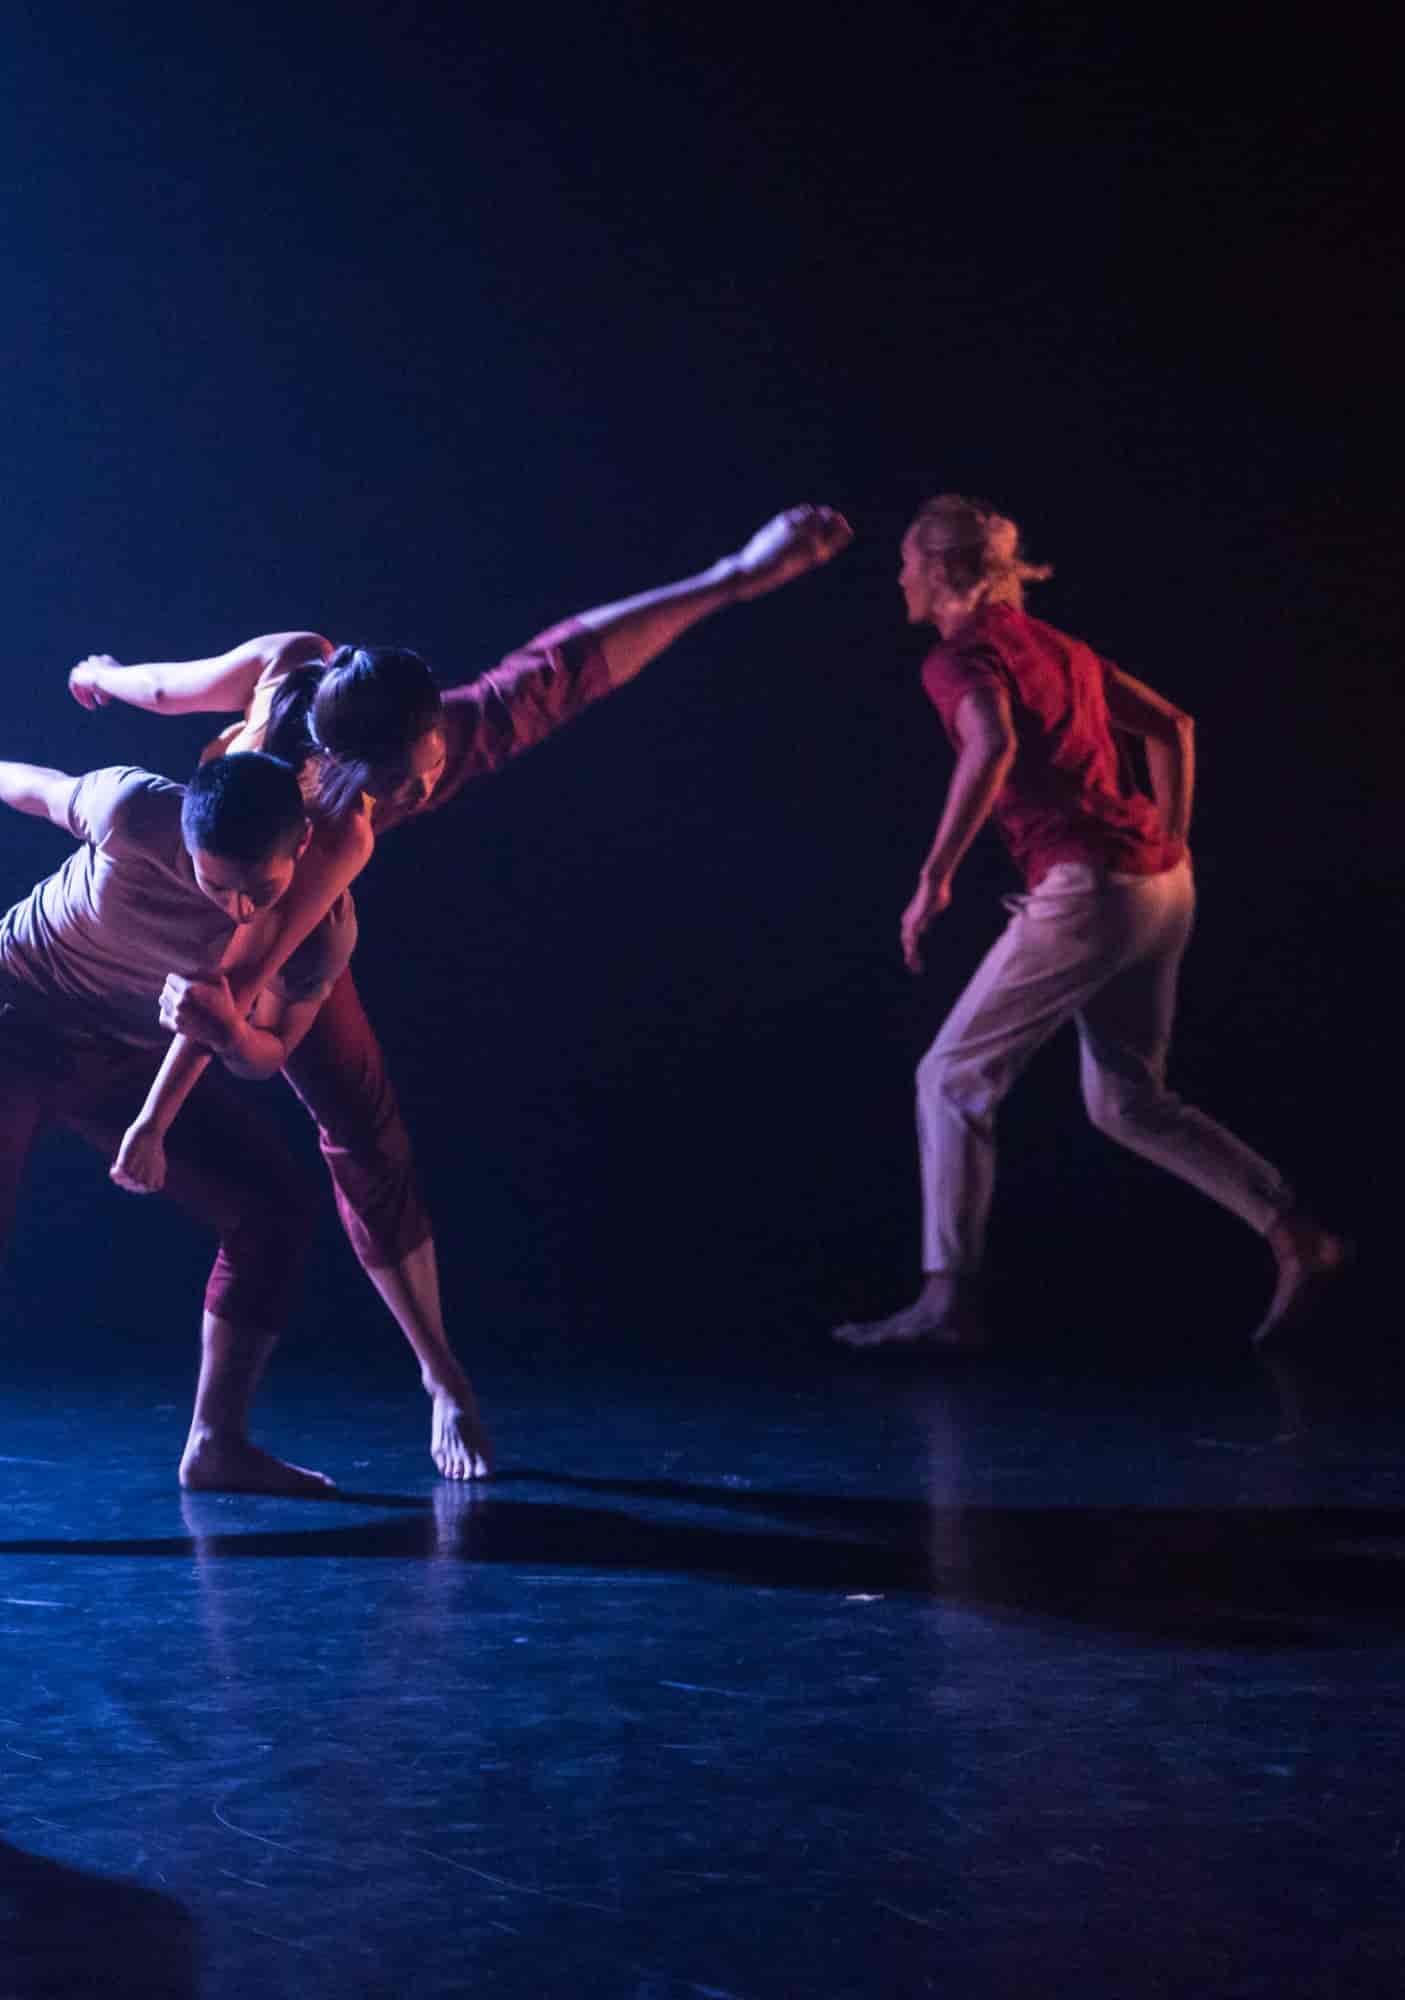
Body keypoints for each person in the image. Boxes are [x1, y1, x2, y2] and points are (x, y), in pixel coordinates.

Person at [66, 506, 854, 1476]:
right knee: (357, 1123)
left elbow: (165, 686)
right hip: (240, 910)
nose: (430, 778)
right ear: (353, 771)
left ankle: (437, 1378)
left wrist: (103, 675)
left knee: (526, 695)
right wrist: (155, 1119)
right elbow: (226, 983)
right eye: (413, 777)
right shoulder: (332, 832)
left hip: (286, 865)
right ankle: (422, 1380)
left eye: (432, 753)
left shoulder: (313, 671)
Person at [830, 495, 1345, 1352]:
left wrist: (933, 877)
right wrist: (1168, 842)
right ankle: (1296, 1233)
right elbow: (1173, 727)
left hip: (1090, 891)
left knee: (950, 1077)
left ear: (944, 571)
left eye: (908, 562)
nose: (899, 576)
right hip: (1161, 886)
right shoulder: (1058, 647)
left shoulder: (961, 656)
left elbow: (991, 745)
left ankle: (946, 1302)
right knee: (1128, 1101)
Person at [0, 750, 357, 1550]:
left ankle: (216, 1444)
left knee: (274, 1206)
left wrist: (227, 1033)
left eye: (258, 889)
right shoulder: (133, 811)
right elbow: (37, 790)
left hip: (124, 1054)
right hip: (6, 1016)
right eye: (215, 883)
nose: (237, 907)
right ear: (186, 842)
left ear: (301, 849)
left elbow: (267, 1056)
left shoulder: (319, 923)